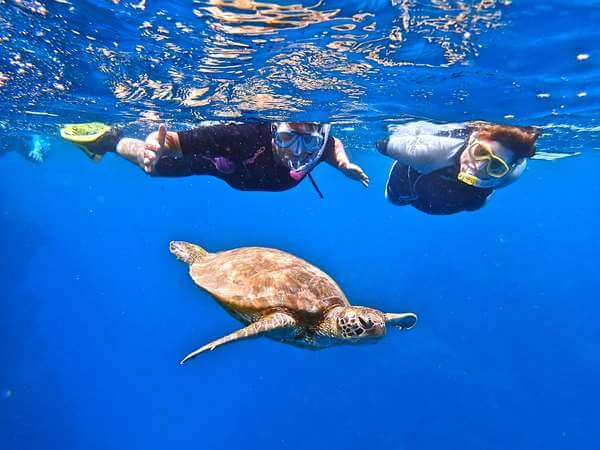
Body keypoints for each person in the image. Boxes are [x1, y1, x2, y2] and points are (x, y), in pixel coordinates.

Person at [60, 121, 369, 195]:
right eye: (288, 140)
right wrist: (156, 144)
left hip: (251, 178)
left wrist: (343, 164)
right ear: (275, 129)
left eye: (309, 142)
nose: (297, 154)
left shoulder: (321, 141)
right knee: (156, 168)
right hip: (227, 165)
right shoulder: (242, 135)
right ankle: (108, 140)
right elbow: (173, 141)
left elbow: (332, 144)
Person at [377, 120, 540, 215]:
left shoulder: (511, 174)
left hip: (457, 203)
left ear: (509, 168)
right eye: (480, 152)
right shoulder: (428, 152)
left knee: (474, 205)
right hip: (411, 182)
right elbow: (382, 143)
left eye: (496, 165)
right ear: (472, 138)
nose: (478, 167)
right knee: (393, 200)